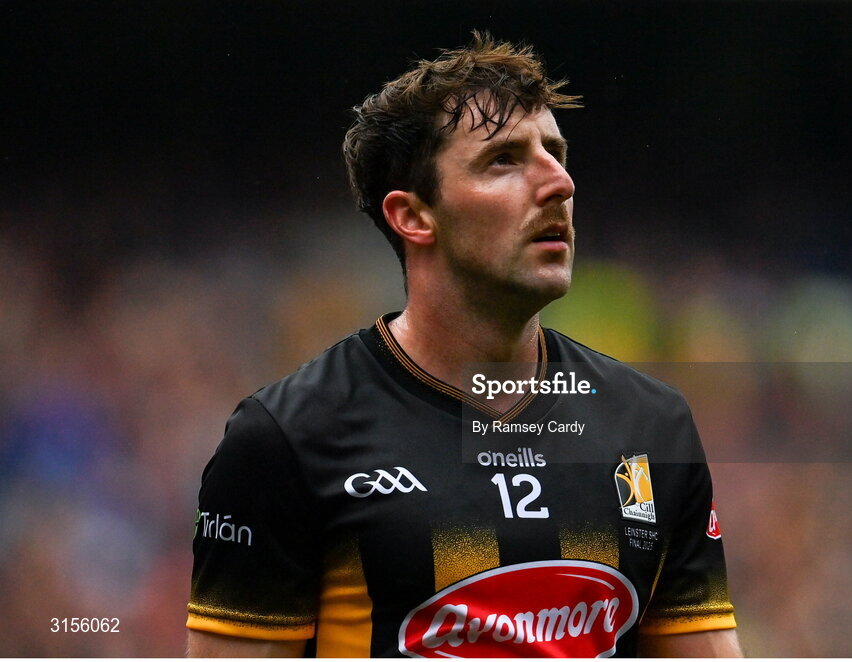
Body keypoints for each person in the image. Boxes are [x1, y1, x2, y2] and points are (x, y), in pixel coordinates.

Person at [186, 32, 741, 657]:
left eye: (556, 153)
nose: (559, 182)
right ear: (414, 216)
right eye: (505, 159)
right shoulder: (286, 438)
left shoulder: (653, 425)